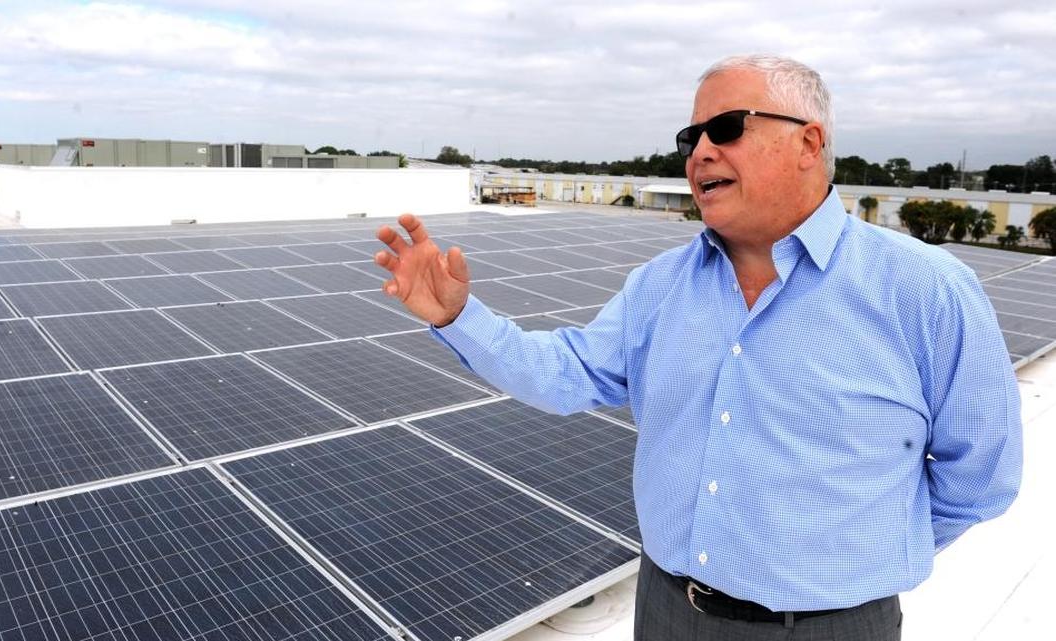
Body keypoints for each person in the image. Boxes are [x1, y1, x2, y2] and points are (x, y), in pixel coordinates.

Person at [373, 54, 1022, 641]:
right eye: (691, 138)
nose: (700, 152)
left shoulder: (927, 292)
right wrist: (459, 315)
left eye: (727, 127)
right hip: (666, 611)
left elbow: (980, 476)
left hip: (834, 627)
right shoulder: (658, 286)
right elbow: (562, 372)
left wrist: (852, 561)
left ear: (808, 142)